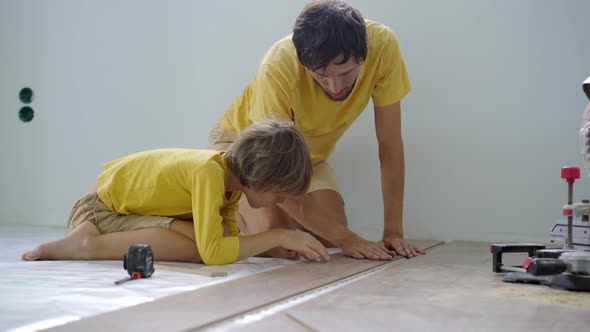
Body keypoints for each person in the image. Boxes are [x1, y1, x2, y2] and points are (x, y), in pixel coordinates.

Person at [209, 0, 425, 260]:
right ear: (304, 62)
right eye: (321, 75)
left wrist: (393, 232)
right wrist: (347, 238)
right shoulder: (277, 66)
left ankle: (245, 215)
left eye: (346, 74)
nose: (334, 87)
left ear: (364, 54)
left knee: (325, 239)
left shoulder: (383, 45)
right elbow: (272, 167)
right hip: (250, 156)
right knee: (279, 245)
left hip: (308, 157)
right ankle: (227, 218)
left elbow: (389, 144)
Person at [21, 120, 330, 265]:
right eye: (279, 194)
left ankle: (90, 239)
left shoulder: (230, 183)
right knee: (199, 251)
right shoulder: (210, 173)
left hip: (121, 211)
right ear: (256, 180)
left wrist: (269, 249)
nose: (280, 202)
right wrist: (279, 235)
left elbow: (229, 238)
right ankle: (85, 244)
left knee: (217, 234)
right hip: (97, 213)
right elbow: (213, 254)